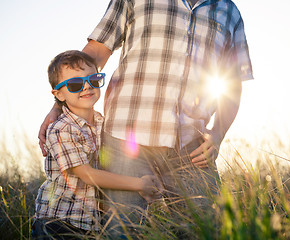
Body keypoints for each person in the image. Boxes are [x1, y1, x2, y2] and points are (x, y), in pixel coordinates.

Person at [39, 0, 253, 235]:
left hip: (192, 146)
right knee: (123, 231)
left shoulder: (229, 12)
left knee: (205, 230)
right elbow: (95, 53)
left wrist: (219, 133)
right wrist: (59, 106)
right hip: (125, 140)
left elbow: (232, 82)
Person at [33, 50, 162, 239]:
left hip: (88, 223)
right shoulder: (61, 129)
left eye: (93, 80)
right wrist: (139, 184)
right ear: (59, 94)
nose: (86, 87)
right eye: (75, 84)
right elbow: (87, 175)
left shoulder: (102, 122)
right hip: (58, 223)